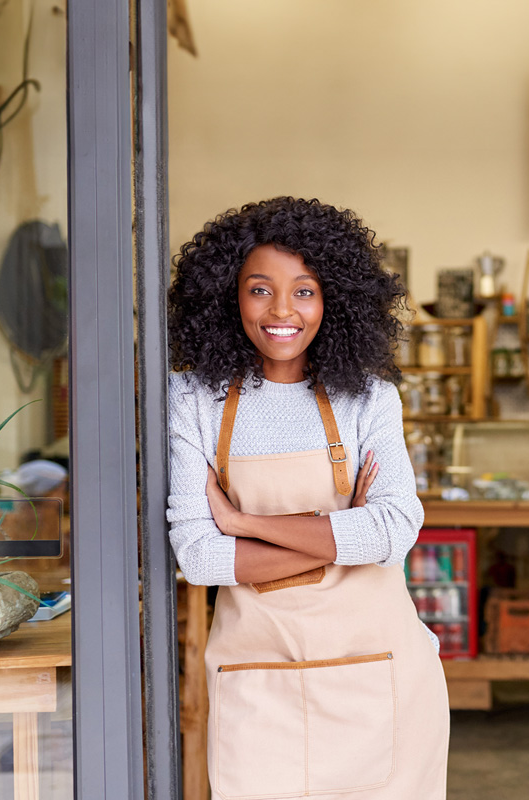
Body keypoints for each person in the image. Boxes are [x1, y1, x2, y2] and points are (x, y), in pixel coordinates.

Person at [166, 197, 449, 799]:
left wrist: (243, 523)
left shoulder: (370, 399)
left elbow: (395, 530)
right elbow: (199, 557)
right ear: (228, 297)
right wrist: (343, 532)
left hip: (384, 675)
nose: (281, 311)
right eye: (259, 289)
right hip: (256, 679)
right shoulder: (191, 397)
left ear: (333, 301)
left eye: (305, 291)